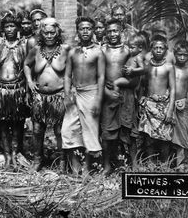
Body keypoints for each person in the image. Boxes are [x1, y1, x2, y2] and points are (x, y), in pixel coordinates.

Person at [24, 18, 69, 171]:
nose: (49, 36)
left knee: (59, 130)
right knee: (37, 130)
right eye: (46, 33)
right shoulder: (36, 50)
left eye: (52, 33)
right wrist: (29, 81)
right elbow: (26, 64)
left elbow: (74, 70)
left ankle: (62, 160)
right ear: (41, 34)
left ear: (57, 33)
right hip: (39, 97)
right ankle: (38, 159)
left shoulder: (65, 49)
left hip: (58, 96)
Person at [62, 17, 105, 174]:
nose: (85, 31)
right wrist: (67, 95)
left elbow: (101, 77)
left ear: (93, 31)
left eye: (88, 28)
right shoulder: (72, 52)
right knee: (68, 130)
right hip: (75, 93)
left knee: (90, 132)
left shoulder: (98, 52)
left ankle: (86, 168)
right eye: (82, 28)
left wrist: (98, 100)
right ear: (77, 31)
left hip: (91, 93)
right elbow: (67, 76)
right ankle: (75, 168)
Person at [132, 32, 176, 164]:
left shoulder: (169, 67)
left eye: (161, 48)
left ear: (165, 50)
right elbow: (142, 85)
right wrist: (141, 100)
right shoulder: (147, 67)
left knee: (164, 138)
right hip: (149, 105)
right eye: (155, 48)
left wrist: (169, 110)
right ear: (151, 49)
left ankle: (164, 164)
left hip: (164, 105)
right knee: (149, 137)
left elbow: (173, 89)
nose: (158, 50)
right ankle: (150, 162)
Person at [0, 13, 28, 168]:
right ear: (3, 29)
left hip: (18, 89)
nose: (9, 29)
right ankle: (7, 155)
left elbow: (27, 70)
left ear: (17, 28)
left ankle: (16, 153)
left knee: (17, 124)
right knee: (3, 124)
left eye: (12, 26)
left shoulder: (24, 45)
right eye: (7, 26)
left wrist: (27, 91)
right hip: (1, 89)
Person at [100, 18, 130, 175]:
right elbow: (98, 72)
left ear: (121, 32)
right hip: (107, 94)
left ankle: (120, 162)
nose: (112, 34)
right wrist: (105, 87)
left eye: (115, 31)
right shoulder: (102, 50)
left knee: (123, 130)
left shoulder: (127, 50)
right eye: (109, 31)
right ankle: (106, 165)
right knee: (107, 131)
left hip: (124, 94)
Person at [118, 32, 149, 169]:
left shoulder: (139, 58)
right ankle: (123, 159)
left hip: (132, 95)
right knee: (122, 128)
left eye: (132, 47)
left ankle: (135, 163)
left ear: (140, 48)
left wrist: (132, 71)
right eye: (129, 47)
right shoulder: (129, 57)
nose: (130, 49)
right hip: (123, 94)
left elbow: (144, 70)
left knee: (131, 130)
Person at [172, 40, 188, 166]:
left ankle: (183, 161)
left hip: (183, 105)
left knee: (182, 132)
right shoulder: (170, 68)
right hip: (170, 104)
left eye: (185, 55)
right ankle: (174, 160)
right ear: (174, 54)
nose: (182, 57)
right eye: (179, 54)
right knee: (171, 133)